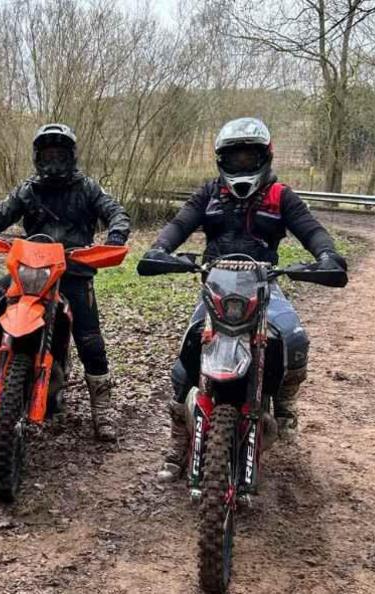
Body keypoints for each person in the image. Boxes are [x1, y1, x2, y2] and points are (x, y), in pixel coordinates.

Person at [143, 117, 348, 480]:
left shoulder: (280, 195)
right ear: (221, 159)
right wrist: (161, 248)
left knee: (294, 337)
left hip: (265, 285)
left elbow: (311, 230)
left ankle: (283, 401)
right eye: (233, 157)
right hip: (217, 287)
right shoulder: (208, 194)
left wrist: (326, 255)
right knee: (188, 352)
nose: (240, 164)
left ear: (264, 157)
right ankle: (178, 438)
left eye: (248, 157)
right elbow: (179, 224)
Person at [0, 123, 131, 441]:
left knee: (89, 340)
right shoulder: (28, 189)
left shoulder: (88, 188)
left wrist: (115, 234)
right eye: (48, 153)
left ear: (71, 156)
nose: (54, 160)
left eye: (60, 153)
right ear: (38, 157)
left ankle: (102, 408)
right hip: (32, 267)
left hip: (74, 269)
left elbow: (116, 211)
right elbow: (1, 211)